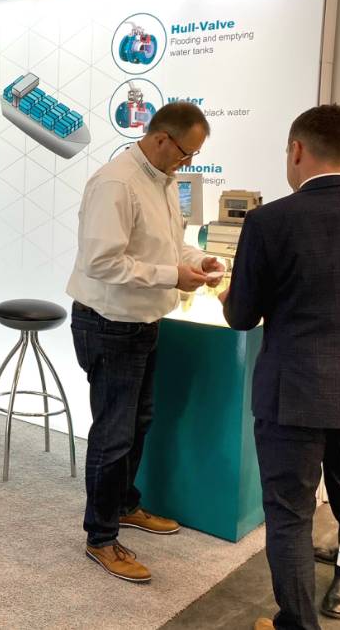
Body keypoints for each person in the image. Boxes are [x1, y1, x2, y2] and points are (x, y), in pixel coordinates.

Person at [67, 102, 223, 583]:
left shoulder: (162, 180)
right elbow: (101, 262)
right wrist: (172, 275)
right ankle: (100, 538)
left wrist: (196, 261)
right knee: (113, 434)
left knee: (138, 423)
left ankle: (124, 505)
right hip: (109, 323)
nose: (188, 162)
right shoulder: (116, 183)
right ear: (160, 139)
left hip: (144, 321)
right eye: (186, 152)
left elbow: (171, 245)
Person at [220, 104, 340, 630]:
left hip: (292, 396)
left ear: (297, 150)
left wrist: (229, 297)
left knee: (290, 517)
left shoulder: (269, 221)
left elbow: (242, 316)